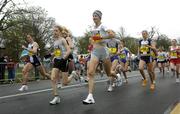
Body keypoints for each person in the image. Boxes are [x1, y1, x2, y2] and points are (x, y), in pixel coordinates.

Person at [82, 10, 118, 105]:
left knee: (109, 73)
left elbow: (112, 35)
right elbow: (94, 39)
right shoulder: (93, 28)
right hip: (95, 52)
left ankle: (117, 76)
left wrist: (102, 38)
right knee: (90, 72)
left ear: (100, 17)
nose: (94, 17)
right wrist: (92, 41)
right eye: (93, 16)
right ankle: (90, 96)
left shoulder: (103, 26)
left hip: (104, 51)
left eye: (96, 16)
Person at [49, 25, 71, 105]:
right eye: (54, 31)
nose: (54, 32)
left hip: (64, 61)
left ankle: (73, 74)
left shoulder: (63, 40)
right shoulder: (55, 41)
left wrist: (63, 59)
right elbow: (57, 51)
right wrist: (52, 56)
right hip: (57, 60)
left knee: (65, 83)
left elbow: (69, 51)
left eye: (56, 31)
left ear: (60, 32)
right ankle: (56, 97)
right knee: (53, 78)